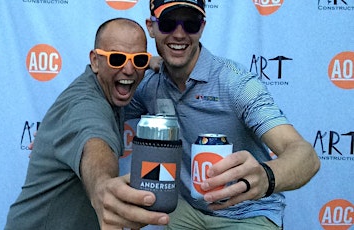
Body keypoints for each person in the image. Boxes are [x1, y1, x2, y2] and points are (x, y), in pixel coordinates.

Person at [124, 0, 321, 229]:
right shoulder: (150, 84)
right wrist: (139, 62)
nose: (179, 34)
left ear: (203, 27)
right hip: (186, 209)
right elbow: (99, 99)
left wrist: (266, 176)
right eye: (168, 24)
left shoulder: (234, 82)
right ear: (151, 27)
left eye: (191, 24)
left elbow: (306, 156)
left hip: (247, 211)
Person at [4, 18, 171, 230]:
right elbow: (94, 141)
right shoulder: (86, 104)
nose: (129, 70)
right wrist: (103, 186)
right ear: (95, 61)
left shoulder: (108, 89)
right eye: (117, 59)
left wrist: (153, 61)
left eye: (138, 60)